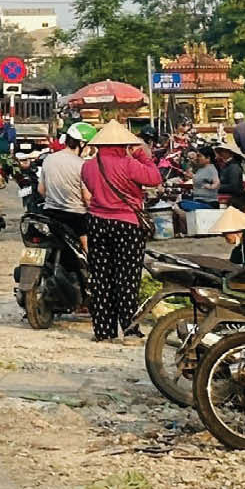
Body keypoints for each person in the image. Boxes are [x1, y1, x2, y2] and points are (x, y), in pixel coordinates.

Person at [80, 121, 162, 342]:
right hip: (127, 223)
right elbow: (155, 178)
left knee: (101, 277)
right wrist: (143, 157)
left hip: (97, 222)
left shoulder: (88, 165)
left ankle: (103, 331)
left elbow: (88, 186)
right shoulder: (129, 164)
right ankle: (130, 328)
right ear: (124, 144)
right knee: (127, 277)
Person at [39, 121, 94, 245]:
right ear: (81, 143)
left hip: (50, 213)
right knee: (89, 251)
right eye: (89, 146)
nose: (90, 150)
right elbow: (87, 198)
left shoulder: (49, 159)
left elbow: (41, 190)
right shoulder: (82, 165)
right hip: (76, 217)